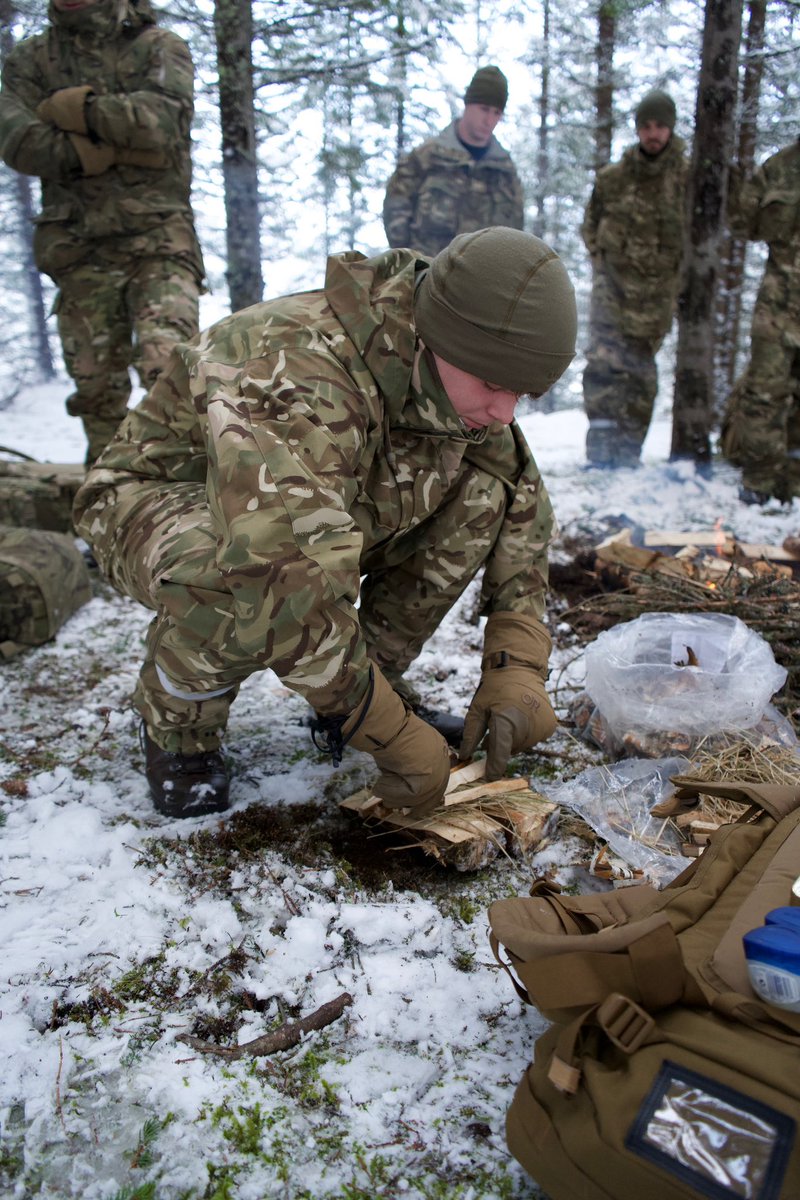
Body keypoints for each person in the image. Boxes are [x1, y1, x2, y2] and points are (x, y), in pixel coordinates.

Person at [73, 227, 577, 820]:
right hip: (155, 500)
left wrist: (516, 664)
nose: (504, 411)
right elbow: (278, 569)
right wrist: (385, 730)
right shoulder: (296, 369)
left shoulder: (445, 365)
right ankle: (181, 729)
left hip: (307, 506)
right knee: (232, 571)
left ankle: (359, 685)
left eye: (525, 394)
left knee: (482, 489)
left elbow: (521, 498)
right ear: (436, 337)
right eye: (494, 384)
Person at [0, 0, 205, 466]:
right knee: (96, 392)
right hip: (78, 249)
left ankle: (190, 502)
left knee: (171, 371)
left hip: (160, 243)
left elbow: (160, 125)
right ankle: (111, 513)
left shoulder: (157, 47)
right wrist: (108, 149)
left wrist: (76, 109)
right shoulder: (31, 60)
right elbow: (19, 142)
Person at [581, 89, 688, 467]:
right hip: (611, 297)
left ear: (671, 129)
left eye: (660, 126)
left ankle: (628, 457)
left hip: (655, 302)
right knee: (602, 373)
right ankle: (599, 458)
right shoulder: (613, 179)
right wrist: (604, 267)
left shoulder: (686, 180)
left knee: (640, 380)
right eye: (646, 126)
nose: (653, 133)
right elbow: (590, 226)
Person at [721, 139, 800, 505]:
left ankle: (795, 483)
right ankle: (759, 482)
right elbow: (741, 223)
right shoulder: (779, 167)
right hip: (779, 307)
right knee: (765, 393)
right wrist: (739, 183)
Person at [382, 66, 524, 258]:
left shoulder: (505, 172)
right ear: (468, 104)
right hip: (428, 277)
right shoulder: (426, 159)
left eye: (496, 113)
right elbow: (396, 210)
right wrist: (413, 266)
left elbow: (514, 234)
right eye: (484, 109)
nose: (489, 120)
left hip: (482, 281)